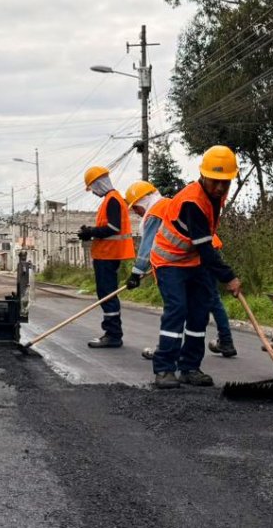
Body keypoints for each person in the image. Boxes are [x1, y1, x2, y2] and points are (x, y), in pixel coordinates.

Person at [148, 145, 243, 389]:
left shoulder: (215, 196)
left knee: (200, 312)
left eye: (225, 182)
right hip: (170, 260)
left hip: (193, 259)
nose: (220, 187)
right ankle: (164, 369)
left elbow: (204, 246)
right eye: (215, 181)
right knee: (177, 310)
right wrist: (229, 277)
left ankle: (189, 368)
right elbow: (206, 248)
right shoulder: (192, 201)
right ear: (203, 175)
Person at [125, 180, 238, 361]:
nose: (136, 213)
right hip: (201, 251)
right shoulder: (169, 202)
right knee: (210, 300)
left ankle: (166, 352)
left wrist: (136, 273)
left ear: (142, 200)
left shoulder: (155, 212)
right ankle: (225, 341)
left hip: (197, 254)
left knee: (178, 308)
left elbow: (148, 245)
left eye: (136, 208)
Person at [76, 166, 135, 349]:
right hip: (106, 254)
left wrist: (91, 232)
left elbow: (113, 228)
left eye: (93, 188)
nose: (93, 192)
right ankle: (112, 332)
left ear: (98, 184)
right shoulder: (111, 199)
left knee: (107, 295)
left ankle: (113, 334)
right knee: (106, 294)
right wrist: (90, 232)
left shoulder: (113, 200)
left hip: (109, 255)